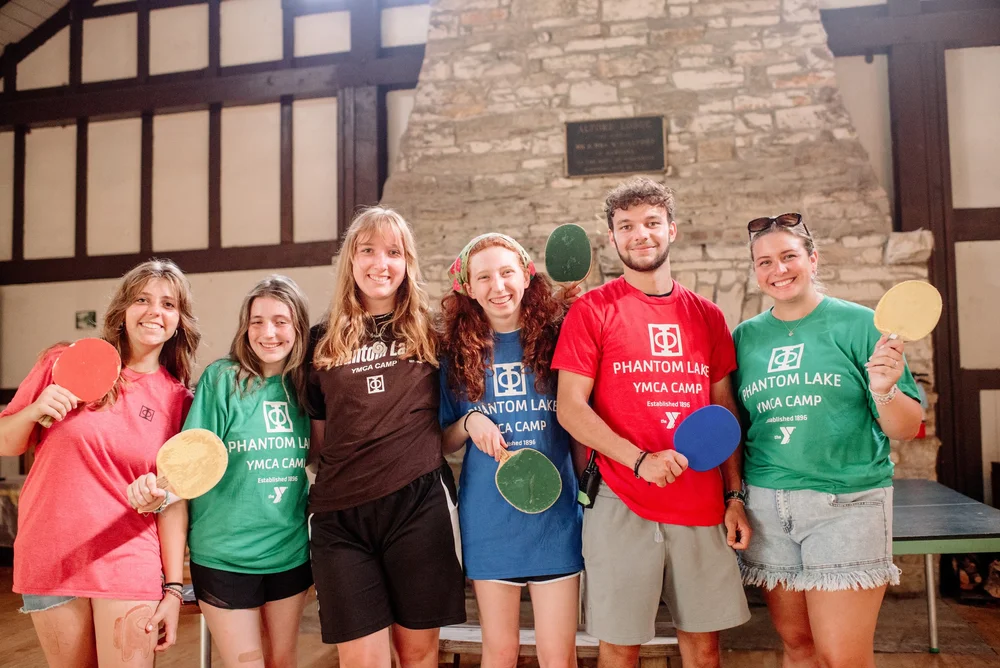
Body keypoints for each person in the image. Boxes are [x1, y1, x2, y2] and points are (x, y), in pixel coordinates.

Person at [553, 176, 751, 668]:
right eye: (626, 226)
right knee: (619, 648)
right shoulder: (592, 310)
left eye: (651, 222)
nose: (640, 234)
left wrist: (734, 496)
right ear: (612, 238)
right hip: (620, 499)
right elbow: (570, 408)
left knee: (704, 650)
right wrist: (640, 460)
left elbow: (724, 415)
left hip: (700, 502)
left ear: (672, 229)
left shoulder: (708, 316)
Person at [732, 213, 922, 668]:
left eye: (789, 256)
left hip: (847, 505)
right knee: (798, 646)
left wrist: (884, 389)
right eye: (765, 262)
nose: (778, 269)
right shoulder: (743, 338)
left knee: (842, 657)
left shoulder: (861, 325)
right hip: (767, 507)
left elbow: (906, 427)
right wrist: (736, 498)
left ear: (813, 259)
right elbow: (737, 428)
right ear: (755, 272)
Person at [0, 259, 199, 667]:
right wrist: (35, 409)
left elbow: (173, 501)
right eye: (142, 300)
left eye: (168, 304)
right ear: (122, 309)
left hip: (129, 557)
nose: (154, 311)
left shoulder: (179, 401)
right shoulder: (63, 361)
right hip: (50, 555)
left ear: (178, 321)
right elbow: (7, 443)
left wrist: (174, 589)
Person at [125, 275, 314, 668]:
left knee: (283, 661)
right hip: (225, 558)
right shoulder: (224, 379)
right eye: (257, 321)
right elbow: (189, 468)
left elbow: (319, 456)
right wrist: (158, 493)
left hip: (290, 553)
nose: (268, 333)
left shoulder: (306, 386)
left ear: (298, 327)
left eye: (280, 321)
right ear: (245, 327)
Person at [306, 206, 466, 668]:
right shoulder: (319, 341)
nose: (381, 263)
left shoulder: (433, 334)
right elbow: (318, 441)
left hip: (419, 505)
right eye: (368, 251)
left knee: (417, 654)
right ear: (351, 261)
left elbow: (450, 422)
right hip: (341, 518)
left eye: (394, 252)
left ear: (407, 262)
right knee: (362, 659)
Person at [439, 233, 583, 668]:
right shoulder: (454, 354)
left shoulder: (561, 339)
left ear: (526, 276)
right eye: (484, 277)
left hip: (556, 518)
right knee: (500, 653)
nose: (497, 285)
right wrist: (469, 422)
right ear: (468, 287)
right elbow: (441, 442)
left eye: (506, 272)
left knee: (559, 656)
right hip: (490, 521)